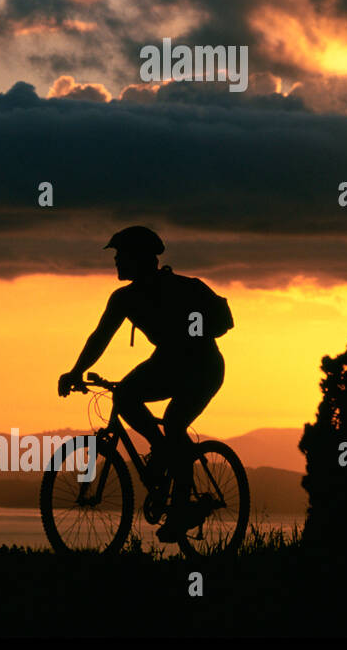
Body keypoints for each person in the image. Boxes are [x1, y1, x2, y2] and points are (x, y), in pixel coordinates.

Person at [57, 226, 228, 542]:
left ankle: (179, 511)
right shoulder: (124, 299)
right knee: (124, 395)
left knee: (175, 423)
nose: (117, 262)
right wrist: (75, 371)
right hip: (167, 362)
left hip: (202, 365)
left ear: (140, 259)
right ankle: (163, 450)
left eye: (121, 256)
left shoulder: (181, 288)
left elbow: (218, 326)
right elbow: (100, 338)